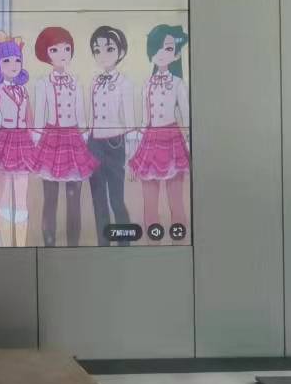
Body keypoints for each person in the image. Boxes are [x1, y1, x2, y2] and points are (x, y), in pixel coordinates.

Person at [30, 25, 99, 248]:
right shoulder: (42, 84)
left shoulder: (76, 82)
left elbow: (81, 115)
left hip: (73, 141)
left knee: (73, 197)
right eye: (55, 50)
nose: (62, 54)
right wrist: (36, 142)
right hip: (51, 141)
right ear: (46, 54)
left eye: (66, 48)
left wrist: (84, 139)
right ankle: (49, 242)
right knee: (50, 197)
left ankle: (73, 244)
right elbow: (39, 115)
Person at [131, 24, 191, 237]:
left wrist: (189, 144)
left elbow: (187, 116)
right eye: (157, 47)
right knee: (149, 197)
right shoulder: (147, 84)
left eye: (168, 48)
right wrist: (136, 148)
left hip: (172, 139)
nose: (162, 53)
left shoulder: (178, 84)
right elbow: (144, 120)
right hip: (150, 140)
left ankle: (179, 234)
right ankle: (152, 234)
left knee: (176, 197)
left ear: (176, 54)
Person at [0, 33, 35, 247]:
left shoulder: (24, 90)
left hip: (23, 142)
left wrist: (34, 141)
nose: (13, 65)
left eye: (17, 60)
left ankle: (21, 246)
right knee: (3, 196)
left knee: (22, 196)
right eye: (7, 61)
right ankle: (6, 246)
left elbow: (30, 118)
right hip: (3, 142)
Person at [87, 25, 136, 241]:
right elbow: (91, 116)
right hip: (94, 143)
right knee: (98, 199)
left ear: (121, 52)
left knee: (116, 198)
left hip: (116, 142)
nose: (103, 55)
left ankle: (124, 242)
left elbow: (130, 121)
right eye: (97, 50)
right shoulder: (94, 82)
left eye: (109, 49)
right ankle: (103, 243)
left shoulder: (125, 83)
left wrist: (132, 156)